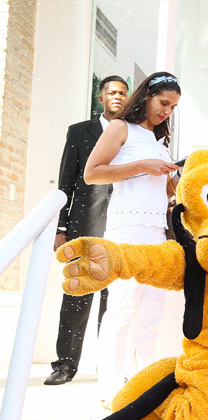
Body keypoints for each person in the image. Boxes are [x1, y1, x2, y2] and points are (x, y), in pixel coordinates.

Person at [84, 71, 181, 406]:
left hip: (156, 233)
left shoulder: (161, 141)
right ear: (147, 96)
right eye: (163, 103)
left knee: (151, 313)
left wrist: (173, 181)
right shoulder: (120, 128)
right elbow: (92, 172)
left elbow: (159, 188)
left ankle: (144, 390)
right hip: (127, 231)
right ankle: (109, 390)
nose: (167, 111)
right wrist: (143, 165)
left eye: (173, 107)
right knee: (122, 310)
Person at [45, 75, 129, 385]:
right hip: (85, 225)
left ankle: (108, 368)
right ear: (101, 98)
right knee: (78, 295)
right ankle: (65, 365)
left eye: (122, 93)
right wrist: (61, 227)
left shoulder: (133, 134)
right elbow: (65, 182)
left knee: (115, 300)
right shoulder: (80, 132)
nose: (117, 97)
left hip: (121, 225)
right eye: (112, 92)